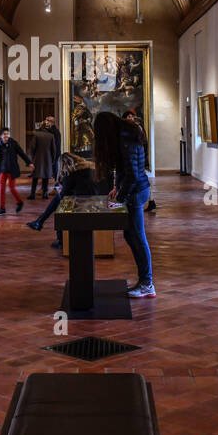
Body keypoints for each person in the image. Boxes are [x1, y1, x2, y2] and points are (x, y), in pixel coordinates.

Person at [94, 110, 154, 298]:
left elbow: (133, 174)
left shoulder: (125, 137)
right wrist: (117, 188)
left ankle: (147, 283)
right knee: (131, 236)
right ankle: (145, 281)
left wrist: (121, 197)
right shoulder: (125, 134)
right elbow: (126, 169)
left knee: (138, 237)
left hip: (136, 193)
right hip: (136, 191)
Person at [27, 152, 97, 248]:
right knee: (58, 200)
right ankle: (39, 222)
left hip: (81, 202)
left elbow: (65, 194)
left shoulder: (70, 173)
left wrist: (61, 186)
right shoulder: (88, 168)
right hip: (94, 199)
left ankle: (59, 239)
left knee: (59, 208)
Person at [122, 108, 156, 211]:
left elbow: (143, 143)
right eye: (128, 116)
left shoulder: (137, 128)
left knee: (142, 179)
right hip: (137, 156)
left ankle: (151, 201)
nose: (131, 118)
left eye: (131, 116)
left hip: (138, 157)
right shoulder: (128, 128)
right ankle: (151, 201)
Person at [0, 127, 30, 215]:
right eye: (4, 134)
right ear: (0, 136)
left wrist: (29, 162)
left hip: (11, 170)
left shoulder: (13, 143)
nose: (6, 136)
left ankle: (20, 202)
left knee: (12, 188)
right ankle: (2, 208)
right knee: (1, 189)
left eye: (7, 134)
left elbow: (22, 153)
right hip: (3, 170)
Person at [26, 125, 56, 199]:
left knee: (35, 177)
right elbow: (54, 150)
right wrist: (52, 160)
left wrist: (31, 159)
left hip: (37, 158)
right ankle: (45, 194)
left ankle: (32, 194)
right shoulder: (51, 136)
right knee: (45, 177)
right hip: (47, 159)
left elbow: (32, 148)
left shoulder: (36, 135)